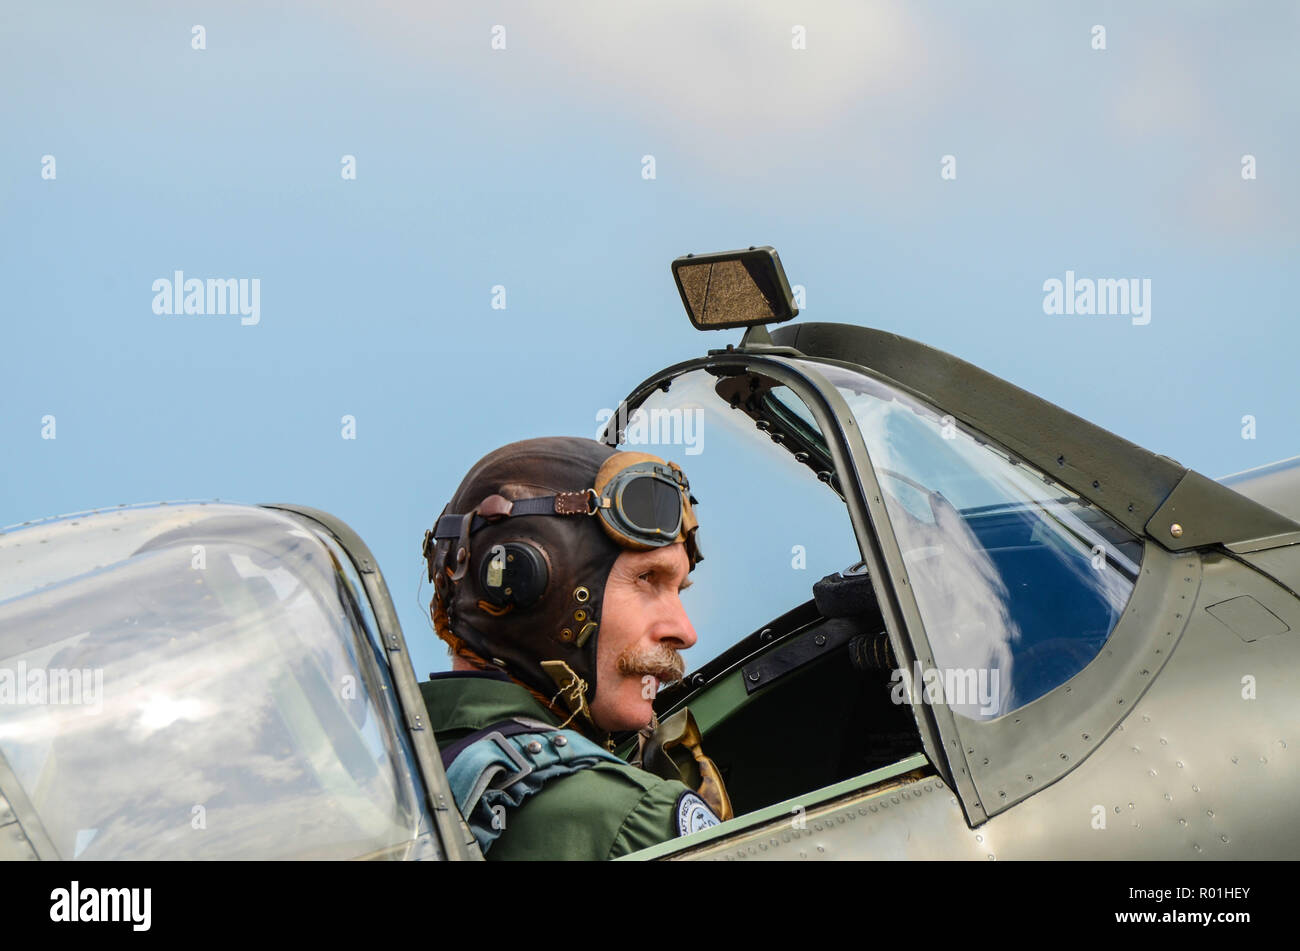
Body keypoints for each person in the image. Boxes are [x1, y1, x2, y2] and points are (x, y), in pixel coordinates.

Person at [419, 436, 728, 860]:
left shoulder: (371, 781)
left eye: (678, 589)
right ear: (530, 587)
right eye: (647, 579)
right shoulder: (629, 820)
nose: (684, 631)